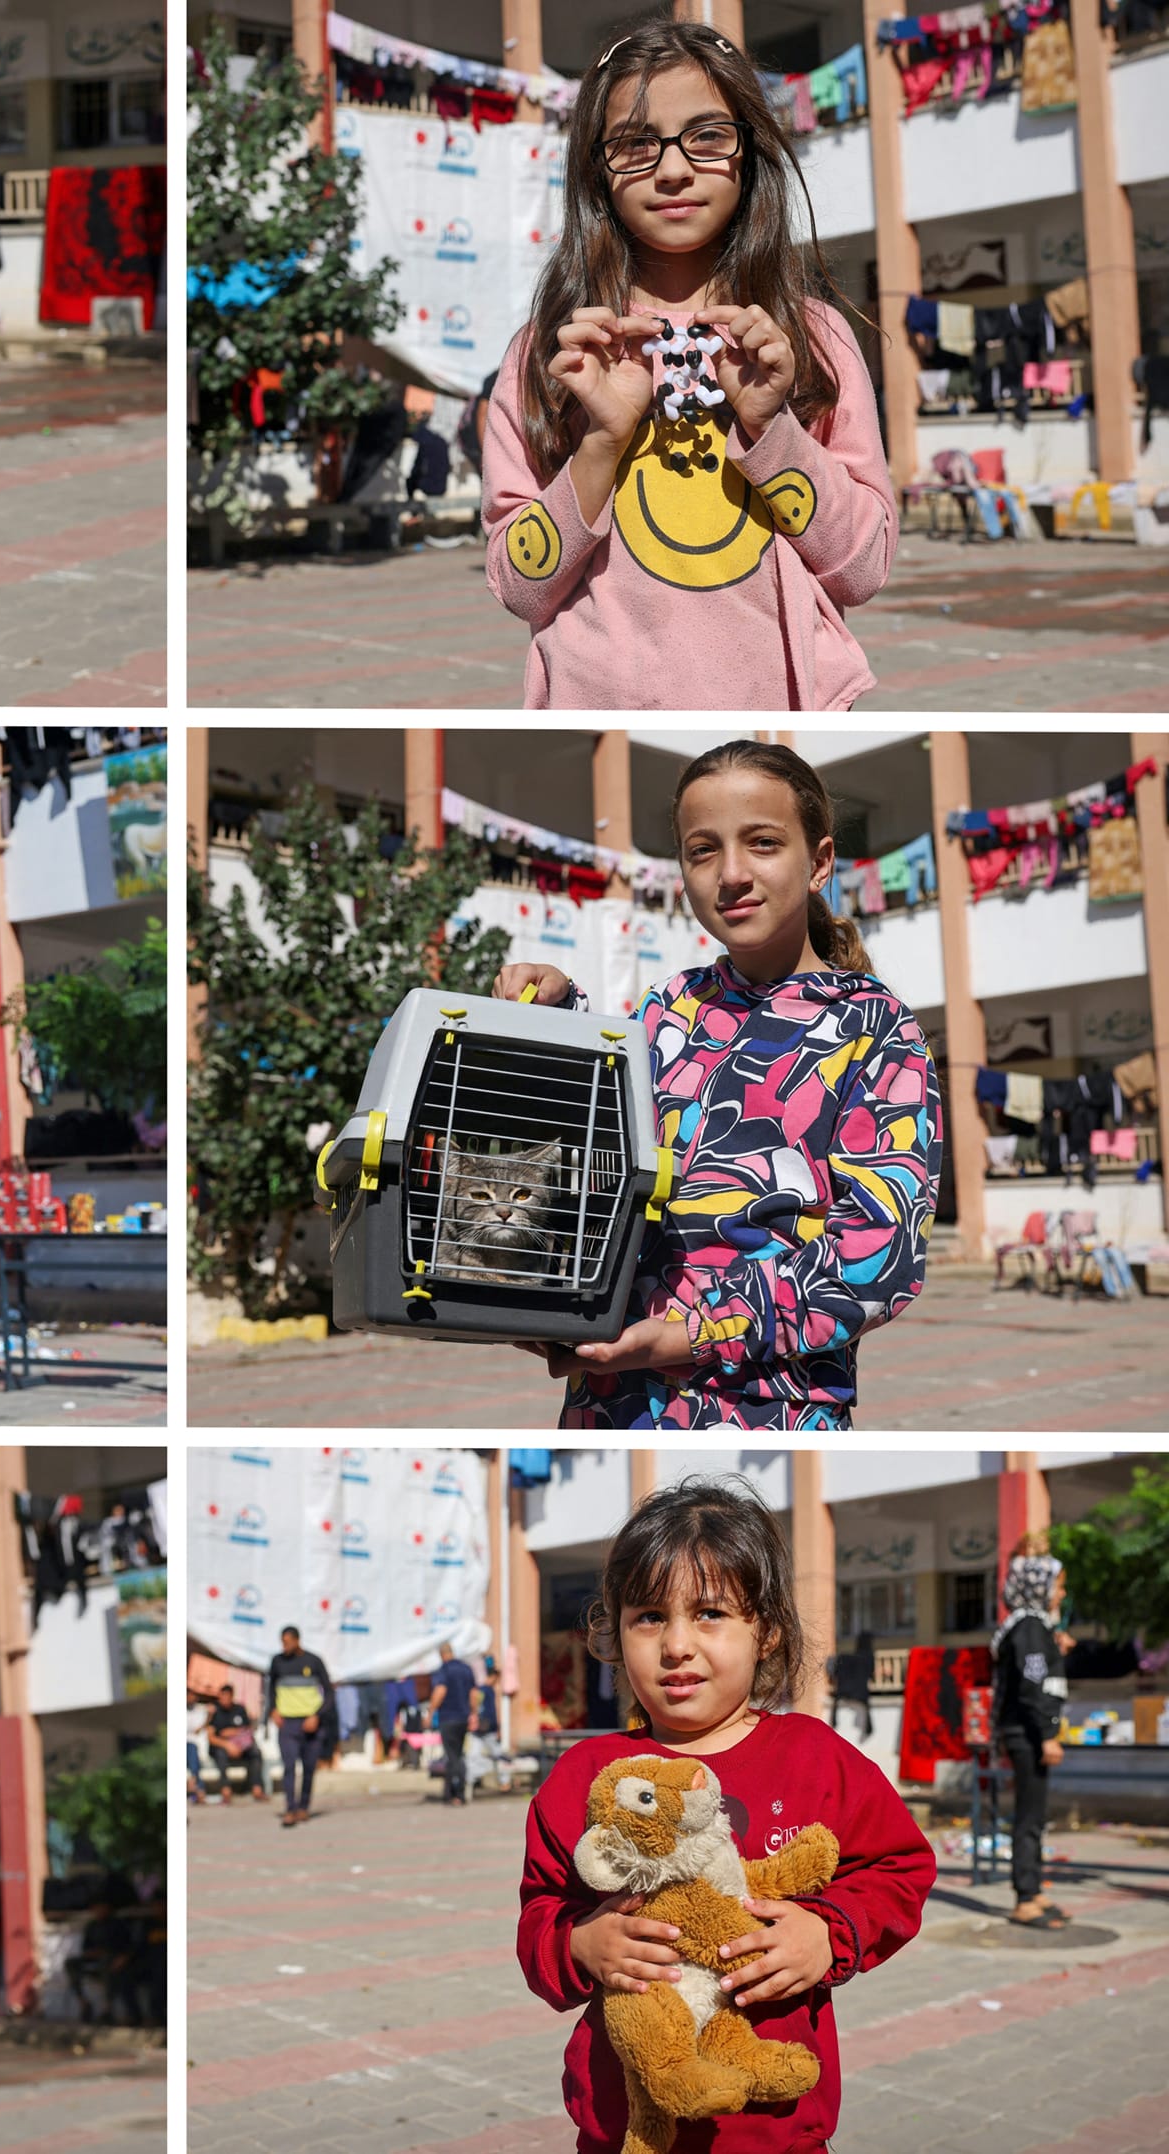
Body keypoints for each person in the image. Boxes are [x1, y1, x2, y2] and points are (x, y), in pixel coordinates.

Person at [496, 739, 940, 1429]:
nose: (732, 873)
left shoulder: (876, 1031)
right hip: (611, 1409)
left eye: (763, 842)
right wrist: (558, 1012)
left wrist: (690, 1335)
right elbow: (594, 1131)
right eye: (703, 850)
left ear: (819, 861)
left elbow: (878, 1256)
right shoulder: (664, 1010)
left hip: (768, 1415)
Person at [481, 19, 895, 711]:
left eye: (707, 134)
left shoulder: (810, 338)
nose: (672, 168)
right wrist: (602, 444)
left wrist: (772, 428)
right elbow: (521, 588)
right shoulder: (552, 352)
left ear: (750, 150)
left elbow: (864, 571)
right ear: (596, 168)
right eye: (635, 144)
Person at [519, 1476, 936, 2154]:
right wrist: (577, 1943)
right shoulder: (585, 1777)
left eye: (710, 1613)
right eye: (649, 1616)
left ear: (765, 1630)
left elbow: (902, 1868)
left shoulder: (815, 1756)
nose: (676, 1644)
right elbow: (540, 1911)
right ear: (616, 1631)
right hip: (624, 2130)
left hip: (776, 2131)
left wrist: (830, 1933)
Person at [993, 1539, 1071, 1930]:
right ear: (1038, 1586)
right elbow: (1032, 1684)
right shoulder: (1027, 1627)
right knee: (1028, 1815)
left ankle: (1034, 1888)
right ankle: (1024, 1899)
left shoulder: (1034, 1627)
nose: (1062, 1592)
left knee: (1036, 1816)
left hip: (1030, 1732)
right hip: (1028, 1734)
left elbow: (1038, 1673)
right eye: (1058, 1584)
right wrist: (1047, 1735)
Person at [265, 1626, 335, 1828]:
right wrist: (273, 1710)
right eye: (282, 1643)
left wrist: (317, 1715)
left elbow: (329, 1694)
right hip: (288, 1722)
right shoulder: (277, 1662)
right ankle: (290, 1808)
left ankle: (304, 1806)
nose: (284, 1647)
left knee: (309, 1767)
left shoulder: (313, 1661)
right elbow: (271, 1689)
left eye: (287, 1642)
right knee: (288, 1766)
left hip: (311, 1722)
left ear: (297, 1641)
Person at [430, 1643, 478, 1806]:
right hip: (463, 1718)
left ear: (442, 1654)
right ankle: (460, 1792)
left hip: (448, 1717)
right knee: (459, 1754)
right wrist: (474, 1713)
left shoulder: (444, 1670)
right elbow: (473, 1693)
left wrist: (430, 1712)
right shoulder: (466, 1669)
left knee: (452, 1757)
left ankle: (454, 1794)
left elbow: (440, 1691)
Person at [207, 1682, 268, 1803]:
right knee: (220, 1754)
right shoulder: (215, 1711)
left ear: (231, 1696)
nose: (224, 1699)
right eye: (222, 1696)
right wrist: (228, 1745)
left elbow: (247, 1730)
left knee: (256, 1753)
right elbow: (211, 1737)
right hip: (222, 1746)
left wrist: (232, 1733)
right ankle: (226, 1790)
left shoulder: (240, 1709)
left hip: (240, 1746)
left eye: (226, 1696)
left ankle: (257, 1788)